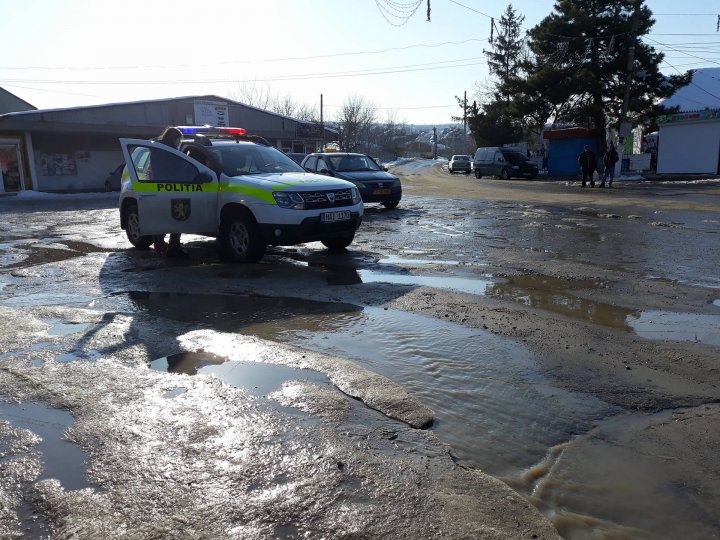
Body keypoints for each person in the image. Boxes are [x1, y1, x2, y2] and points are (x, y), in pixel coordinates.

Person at [152, 127, 187, 258]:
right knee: (177, 218)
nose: (179, 142)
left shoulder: (158, 148)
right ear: (173, 138)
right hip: (172, 187)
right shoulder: (169, 151)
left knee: (166, 217)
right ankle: (173, 247)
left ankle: (161, 243)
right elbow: (176, 169)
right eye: (179, 139)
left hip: (160, 187)